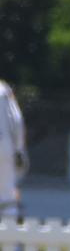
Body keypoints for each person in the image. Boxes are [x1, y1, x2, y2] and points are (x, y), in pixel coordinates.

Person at [0, 79, 28, 219]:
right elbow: (17, 121)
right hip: (4, 146)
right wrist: (18, 149)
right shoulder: (4, 91)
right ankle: (11, 237)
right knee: (7, 195)